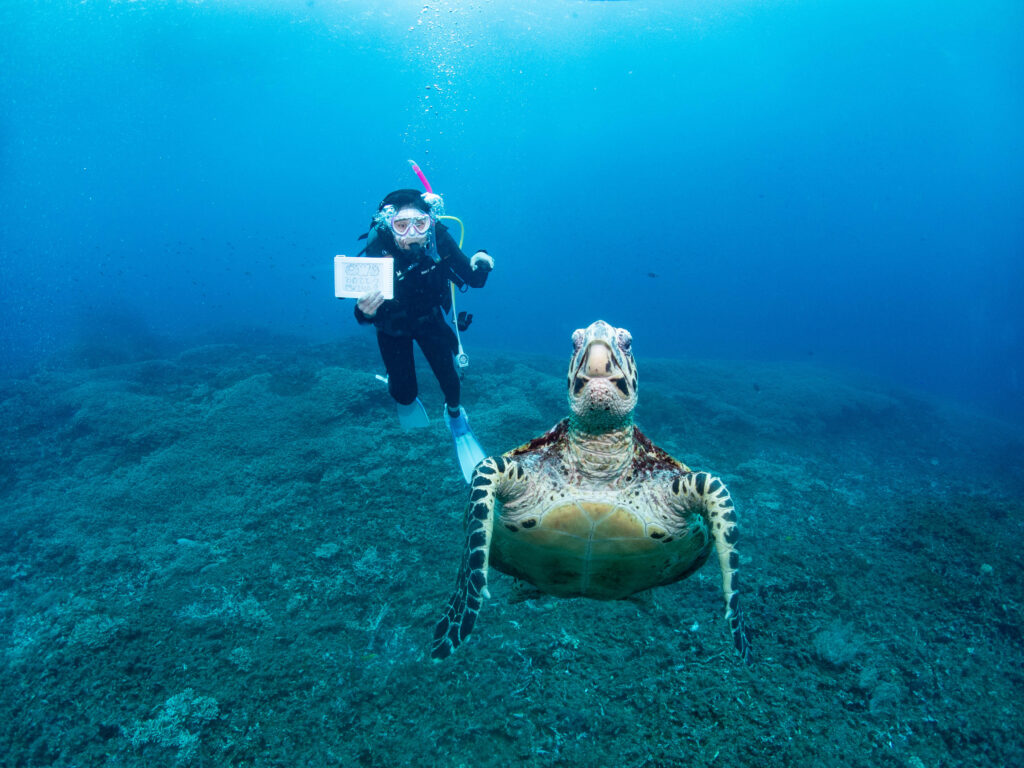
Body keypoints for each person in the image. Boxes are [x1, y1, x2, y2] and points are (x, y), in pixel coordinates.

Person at [354, 188, 494, 482]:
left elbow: (473, 279)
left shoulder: (439, 238)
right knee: (404, 395)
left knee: (451, 383)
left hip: (430, 321)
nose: (411, 233)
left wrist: (482, 261)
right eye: (401, 225)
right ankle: (396, 383)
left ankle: (455, 415)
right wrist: (364, 312)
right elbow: (361, 313)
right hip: (392, 327)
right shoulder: (379, 245)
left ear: (430, 221)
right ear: (389, 225)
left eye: (419, 223)